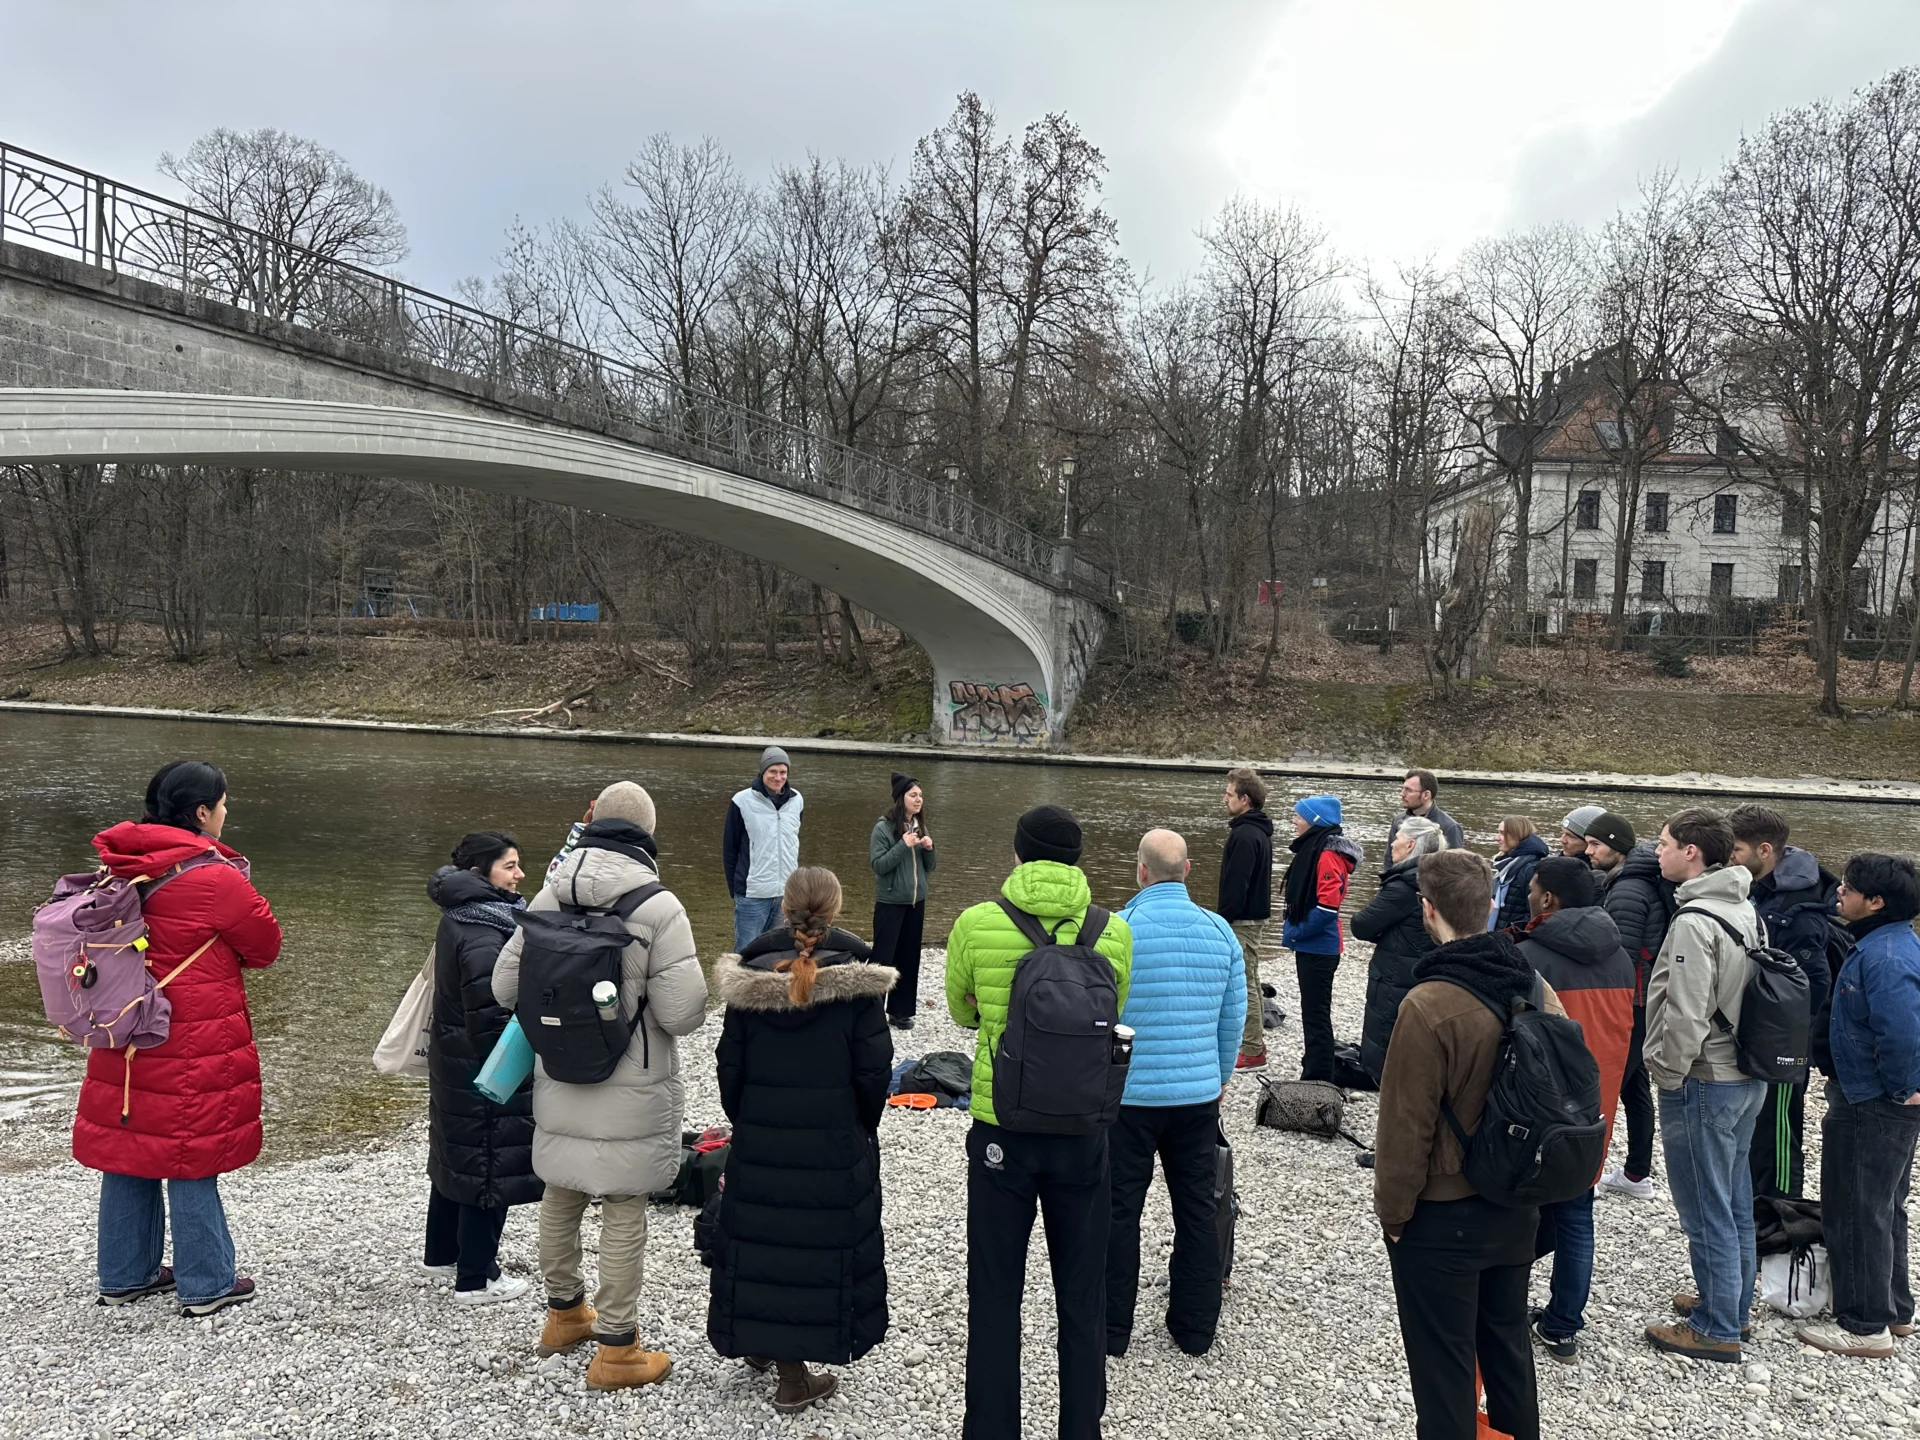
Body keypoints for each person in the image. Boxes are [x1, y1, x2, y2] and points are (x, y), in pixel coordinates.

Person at [493, 782, 708, 1391]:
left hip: (559, 1071)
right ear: (647, 834)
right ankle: (618, 1349)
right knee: (622, 1204)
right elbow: (684, 1012)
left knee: (561, 1188)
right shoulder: (658, 906)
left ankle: (563, 1317)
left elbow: (505, 989)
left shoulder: (549, 892)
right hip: (630, 1080)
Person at [946, 804, 1132, 1440]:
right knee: (1082, 1296)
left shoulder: (976, 923)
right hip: (1085, 1130)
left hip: (1003, 1128)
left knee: (995, 1293)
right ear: (1079, 860)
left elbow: (963, 1012)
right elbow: (1112, 1016)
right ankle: (1081, 1429)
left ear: (1018, 854)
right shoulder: (1113, 931)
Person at [80, 761, 283, 1317]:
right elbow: (265, 948)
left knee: (128, 1147)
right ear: (201, 812)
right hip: (189, 1035)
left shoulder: (115, 867)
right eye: (223, 803)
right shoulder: (216, 878)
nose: (225, 812)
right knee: (190, 1150)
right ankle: (206, 1282)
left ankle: (124, 1275)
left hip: (119, 1029)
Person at [1374, 849, 1561, 1440]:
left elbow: (1407, 1126)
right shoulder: (1532, 983)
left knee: (1444, 1367)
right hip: (1515, 1201)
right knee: (1506, 1350)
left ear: (1428, 911)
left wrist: (1394, 1213)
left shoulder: (1429, 1003)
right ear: (1489, 907)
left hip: (1444, 1211)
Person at [709, 867, 894, 1411]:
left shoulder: (750, 969)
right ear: (835, 910)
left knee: (762, 1237)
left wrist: (748, 1117)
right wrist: (860, 1125)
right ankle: (794, 1375)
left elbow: (729, 1065)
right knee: (815, 1243)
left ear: (785, 907)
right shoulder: (860, 979)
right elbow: (873, 1070)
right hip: (835, 1134)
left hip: (762, 1129)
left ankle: (763, 1343)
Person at [1107, 829, 1245, 1359]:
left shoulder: (1120, 929)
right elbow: (1233, 1015)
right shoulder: (1219, 930)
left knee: (1120, 1212)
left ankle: (1112, 1328)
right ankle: (1194, 1329)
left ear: (1140, 871)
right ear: (1188, 871)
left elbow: (1107, 1013)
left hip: (1131, 1098)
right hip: (1195, 1098)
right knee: (1198, 1210)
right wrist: (1219, 1075)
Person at [1641, 807, 1763, 1364]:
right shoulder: (1745, 909)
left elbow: (1685, 1012)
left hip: (1703, 1078)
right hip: (1744, 1074)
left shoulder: (1694, 920)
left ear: (1693, 852)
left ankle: (1717, 1327)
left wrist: (1666, 1073)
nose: (1657, 850)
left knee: (1704, 1206)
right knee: (1734, 1199)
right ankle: (1731, 1305)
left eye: (1664, 843)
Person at [1510, 857, 1634, 1365]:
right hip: (1596, 1104)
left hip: (1537, 1105)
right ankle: (1563, 1327)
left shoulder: (1529, 956)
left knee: (1515, 1211)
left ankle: (1502, 1307)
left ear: (1548, 900)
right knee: (1578, 1215)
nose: (1527, 895)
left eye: (1533, 888)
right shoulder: (1623, 958)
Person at [1795, 853, 1920, 1358]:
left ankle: (1865, 1324)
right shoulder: (1889, 943)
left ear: (1876, 902)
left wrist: (1902, 1087)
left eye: (1848, 887)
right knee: (1885, 1203)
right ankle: (1892, 1308)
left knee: (1855, 1205)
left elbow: (1904, 1031)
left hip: (1873, 1099)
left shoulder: (1884, 956)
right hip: (1878, 1095)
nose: (1838, 893)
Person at [423, 832, 542, 1304]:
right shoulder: (485, 929)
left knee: (455, 1158)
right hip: (483, 1065)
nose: (520, 875)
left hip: (454, 1059)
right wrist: (513, 1072)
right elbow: (492, 1010)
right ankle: (478, 1277)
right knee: (489, 1166)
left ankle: (441, 1255)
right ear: (480, 874)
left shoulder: (463, 915)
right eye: (510, 866)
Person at [1727, 804, 1838, 1200]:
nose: (1729, 856)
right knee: (1756, 1130)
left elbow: (1814, 983)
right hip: (1760, 1033)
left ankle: (1782, 1212)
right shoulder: (1759, 889)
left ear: (1765, 850)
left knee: (1778, 1131)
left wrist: (1786, 1040)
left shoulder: (1800, 908)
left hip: (1784, 1044)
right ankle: (1756, 1210)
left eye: (1736, 849)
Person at [1585, 811, 1674, 1201]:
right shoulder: (1637, 881)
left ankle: (1588, 1171)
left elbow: (1617, 953)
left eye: (1595, 845)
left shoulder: (1625, 891)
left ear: (1617, 848)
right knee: (1635, 1089)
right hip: (1643, 1001)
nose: (1589, 852)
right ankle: (1637, 1173)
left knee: (1606, 1085)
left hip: (1629, 1003)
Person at [1353, 815, 1446, 1085]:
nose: (1392, 843)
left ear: (1411, 845)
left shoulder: (1403, 886)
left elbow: (1361, 925)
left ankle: (1386, 1088)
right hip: (1422, 968)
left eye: (1397, 837)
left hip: (1396, 973)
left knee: (1387, 1034)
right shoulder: (1438, 878)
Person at [1281, 794, 1362, 1083]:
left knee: (1315, 1014)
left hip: (1319, 947)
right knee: (1312, 1011)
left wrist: (1296, 932)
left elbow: (1327, 908)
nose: (1294, 821)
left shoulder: (1326, 855)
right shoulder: (1316, 850)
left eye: (1298, 816)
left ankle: (1318, 1077)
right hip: (1314, 945)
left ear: (1314, 822)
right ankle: (1314, 1067)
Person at [1216, 766, 1275, 1071]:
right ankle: (1250, 1042)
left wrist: (1220, 921)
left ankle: (1253, 1049)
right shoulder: (1257, 830)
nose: (1225, 799)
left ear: (1245, 799)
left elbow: (1236, 886)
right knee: (1249, 978)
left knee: (1244, 982)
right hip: (1253, 917)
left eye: (1229, 795)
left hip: (1243, 920)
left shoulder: (1244, 834)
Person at [869, 772, 936, 1031]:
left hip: (916, 902)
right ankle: (872, 1011)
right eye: (913, 795)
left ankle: (900, 1012)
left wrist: (929, 849)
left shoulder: (919, 825)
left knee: (910, 957)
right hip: (890, 902)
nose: (918, 799)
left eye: (920, 795)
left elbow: (929, 867)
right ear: (901, 799)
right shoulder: (883, 828)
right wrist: (902, 846)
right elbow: (879, 865)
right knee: (883, 957)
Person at [723, 747, 804, 951]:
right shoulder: (741, 801)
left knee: (777, 953)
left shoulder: (797, 801)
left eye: (783, 772)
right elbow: (729, 850)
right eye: (773, 771)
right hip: (752, 894)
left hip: (786, 894)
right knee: (745, 953)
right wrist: (736, 889)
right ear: (763, 772)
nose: (778, 777)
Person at [1488, 816, 1549, 933]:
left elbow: (1534, 912)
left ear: (1516, 835)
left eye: (1502, 833)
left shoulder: (1530, 869)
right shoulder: (1506, 864)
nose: (1497, 838)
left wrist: (1514, 934)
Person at [1388, 769, 1465, 851]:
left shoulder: (1450, 827)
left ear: (1426, 795)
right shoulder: (1398, 821)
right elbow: (1389, 860)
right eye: (1403, 789)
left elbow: (1455, 862)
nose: (1402, 794)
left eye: (1408, 790)